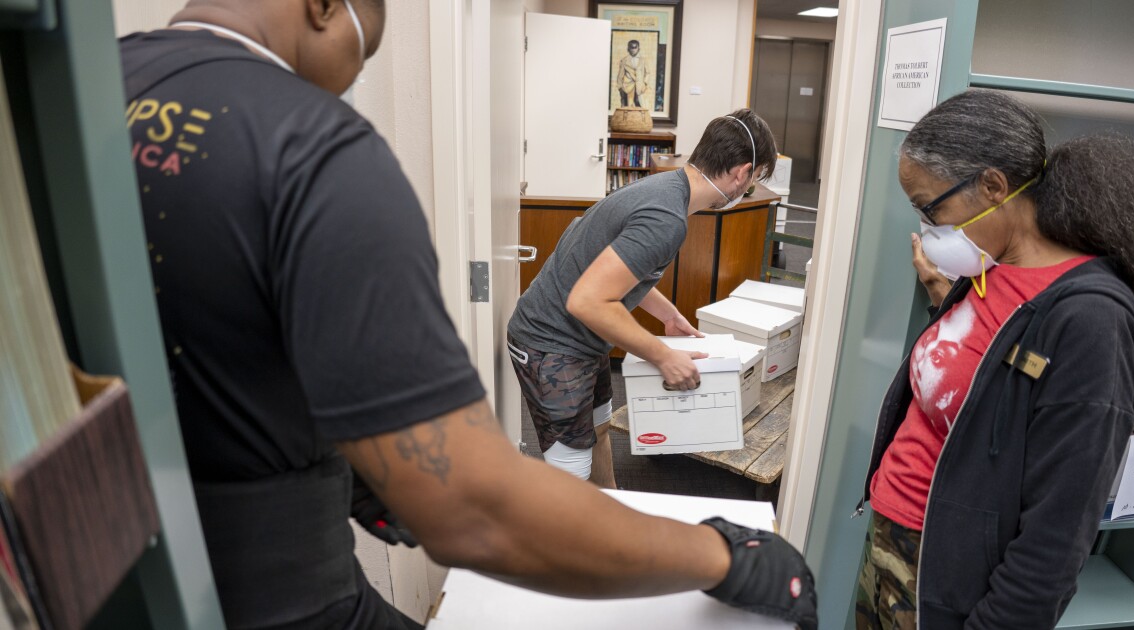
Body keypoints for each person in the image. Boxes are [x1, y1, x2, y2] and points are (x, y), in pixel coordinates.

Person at [120, 2, 816, 629]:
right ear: (325, 6)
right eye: (365, 50)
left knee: (588, 444)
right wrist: (725, 554)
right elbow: (475, 512)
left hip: (122, 565)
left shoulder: (94, 88)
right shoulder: (313, 148)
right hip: (273, 588)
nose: (350, 78)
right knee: (563, 466)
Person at [853, 89, 1134, 629]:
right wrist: (939, 301)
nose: (930, 230)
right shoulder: (989, 267)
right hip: (895, 536)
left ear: (993, 186)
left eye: (932, 208)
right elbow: (986, 370)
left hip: (948, 572)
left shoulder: (1092, 322)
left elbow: (1057, 536)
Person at [506, 110, 777, 486]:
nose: (745, 190)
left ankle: (612, 507)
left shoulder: (664, 189)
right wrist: (663, 355)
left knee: (599, 430)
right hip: (550, 343)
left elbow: (614, 270)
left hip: (584, 340)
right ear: (742, 173)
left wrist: (668, 314)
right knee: (570, 473)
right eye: (752, 182)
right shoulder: (667, 218)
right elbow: (588, 301)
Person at [617, 39, 650, 108]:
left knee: (640, 105)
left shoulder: (643, 60)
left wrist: (645, 83)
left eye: (635, 47)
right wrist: (620, 87)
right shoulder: (624, 60)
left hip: (639, 86)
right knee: (626, 106)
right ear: (628, 49)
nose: (633, 49)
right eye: (631, 47)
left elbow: (647, 73)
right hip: (627, 87)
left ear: (639, 49)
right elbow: (620, 75)